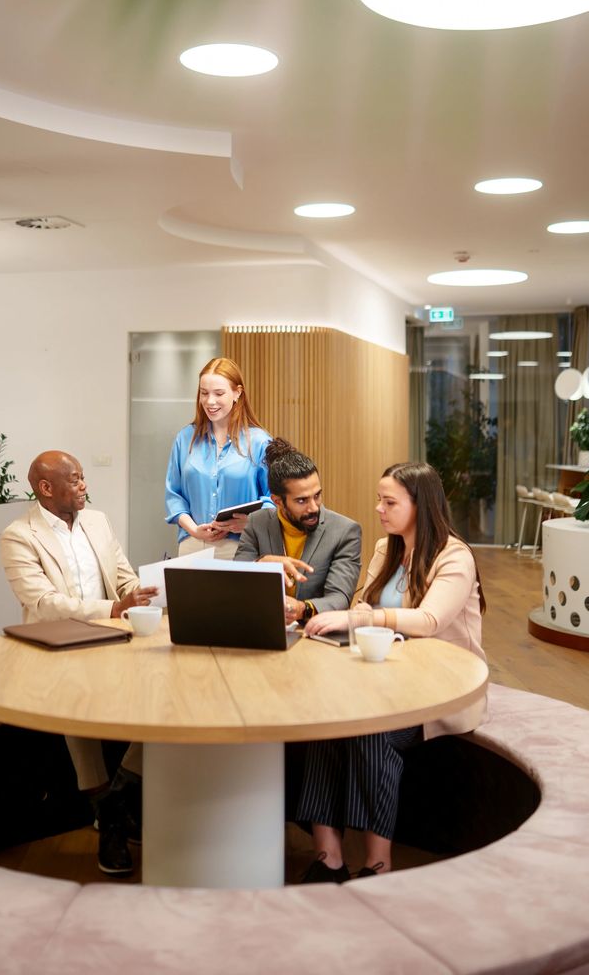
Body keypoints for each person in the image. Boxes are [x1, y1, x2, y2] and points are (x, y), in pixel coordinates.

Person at [295, 461, 487, 883]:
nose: (379, 509)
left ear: (422, 506)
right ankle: (327, 856)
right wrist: (358, 615)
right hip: (382, 678)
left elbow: (430, 620)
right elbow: (363, 606)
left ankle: (377, 864)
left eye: (389, 502)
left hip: (437, 691)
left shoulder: (454, 557)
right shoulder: (388, 549)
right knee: (326, 722)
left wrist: (369, 617)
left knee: (371, 730)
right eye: (380, 500)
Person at [0, 450, 158, 877]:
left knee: (166, 695)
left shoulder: (98, 521)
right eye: (76, 479)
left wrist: (150, 590)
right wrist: (113, 607)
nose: (85, 486)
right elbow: (43, 603)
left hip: (116, 637)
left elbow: (123, 577)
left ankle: (115, 799)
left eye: (84, 478)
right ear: (46, 488)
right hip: (58, 645)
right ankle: (110, 810)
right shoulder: (19, 536)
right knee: (75, 699)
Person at [235, 438, 360, 622]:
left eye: (317, 496)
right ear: (277, 501)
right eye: (302, 501)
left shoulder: (345, 531)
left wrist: (303, 609)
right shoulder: (257, 522)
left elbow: (340, 598)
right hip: (261, 626)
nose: (313, 508)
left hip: (313, 632)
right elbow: (234, 580)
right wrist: (260, 564)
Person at [165, 356, 272, 558]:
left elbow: (273, 498)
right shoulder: (185, 438)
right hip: (192, 545)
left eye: (219, 393)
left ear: (237, 393)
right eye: (204, 393)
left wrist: (250, 523)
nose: (209, 401)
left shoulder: (260, 442)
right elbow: (174, 495)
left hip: (241, 547)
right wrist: (194, 530)